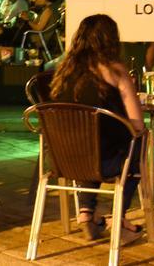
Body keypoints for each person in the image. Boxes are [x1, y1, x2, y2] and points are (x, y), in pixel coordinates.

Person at [50, 14, 145, 244]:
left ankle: (86, 214)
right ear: (111, 40)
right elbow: (138, 124)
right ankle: (119, 221)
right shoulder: (115, 71)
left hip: (64, 161)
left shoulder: (64, 72)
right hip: (104, 162)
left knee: (89, 141)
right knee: (137, 143)